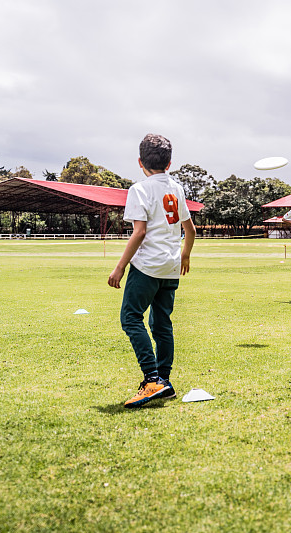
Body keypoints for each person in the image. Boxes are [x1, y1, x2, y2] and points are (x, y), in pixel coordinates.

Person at [108, 134, 196, 408]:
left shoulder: (139, 189)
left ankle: (152, 379)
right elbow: (190, 229)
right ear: (169, 163)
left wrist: (120, 267)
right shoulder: (177, 189)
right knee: (161, 323)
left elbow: (140, 232)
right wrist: (185, 255)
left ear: (140, 162)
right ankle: (165, 381)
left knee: (131, 318)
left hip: (147, 266)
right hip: (170, 266)